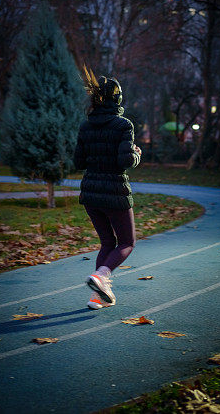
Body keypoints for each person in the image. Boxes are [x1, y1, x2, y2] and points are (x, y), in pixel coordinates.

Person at [74, 67, 142, 310]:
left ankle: (96, 297)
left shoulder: (85, 126)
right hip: (114, 192)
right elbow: (125, 161)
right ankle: (101, 276)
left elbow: (78, 162)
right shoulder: (123, 125)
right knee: (127, 242)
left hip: (90, 192)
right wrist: (135, 154)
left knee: (106, 243)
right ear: (117, 98)